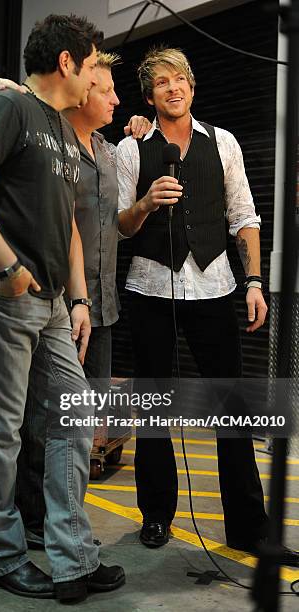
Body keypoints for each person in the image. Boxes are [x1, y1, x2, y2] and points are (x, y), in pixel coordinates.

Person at [0, 14, 126, 603]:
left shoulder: (65, 133)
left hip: (49, 302)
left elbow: (68, 227)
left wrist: (78, 297)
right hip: (2, 295)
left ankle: (73, 557)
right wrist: (9, 269)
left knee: (72, 424)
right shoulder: (12, 107)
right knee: (1, 431)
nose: (101, 76)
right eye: (96, 63)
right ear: (68, 62)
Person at [116, 46, 299, 566]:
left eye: (181, 80)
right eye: (161, 83)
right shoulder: (131, 149)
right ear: (149, 95)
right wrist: (148, 202)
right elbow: (120, 225)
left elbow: (245, 214)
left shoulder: (225, 143)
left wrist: (256, 282)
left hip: (216, 285)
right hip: (150, 287)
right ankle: (156, 514)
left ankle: (249, 527)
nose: (173, 89)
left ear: (192, 88)